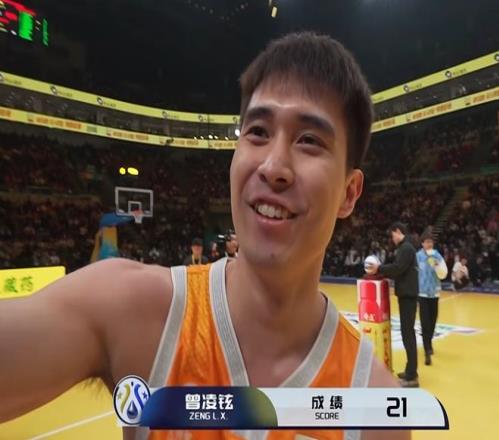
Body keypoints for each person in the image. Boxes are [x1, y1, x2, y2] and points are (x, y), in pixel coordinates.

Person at [0, 32, 408, 440]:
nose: (273, 166)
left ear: (349, 193)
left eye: (309, 140)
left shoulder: (376, 413)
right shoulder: (131, 308)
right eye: (258, 132)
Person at [366, 222, 419, 387]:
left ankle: (412, 376)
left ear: (397, 232)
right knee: (406, 332)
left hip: (408, 295)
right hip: (406, 295)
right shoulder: (406, 247)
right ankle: (410, 370)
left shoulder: (406, 248)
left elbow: (398, 268)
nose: (392, 238)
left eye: (392, 235)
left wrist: (380, 268)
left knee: (408, 333)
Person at [416, 233, 448, 366]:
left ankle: (428, 342)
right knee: (425, 322)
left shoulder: (437, 255)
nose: (429, 244)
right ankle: (427, 350)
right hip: (422, 293)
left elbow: (443, 274)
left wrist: (436, 265)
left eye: (431, 242)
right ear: (422, 243)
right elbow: (414, 273)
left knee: (433, 321)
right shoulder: (417, 256)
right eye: (426, 242)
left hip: (434, 293)